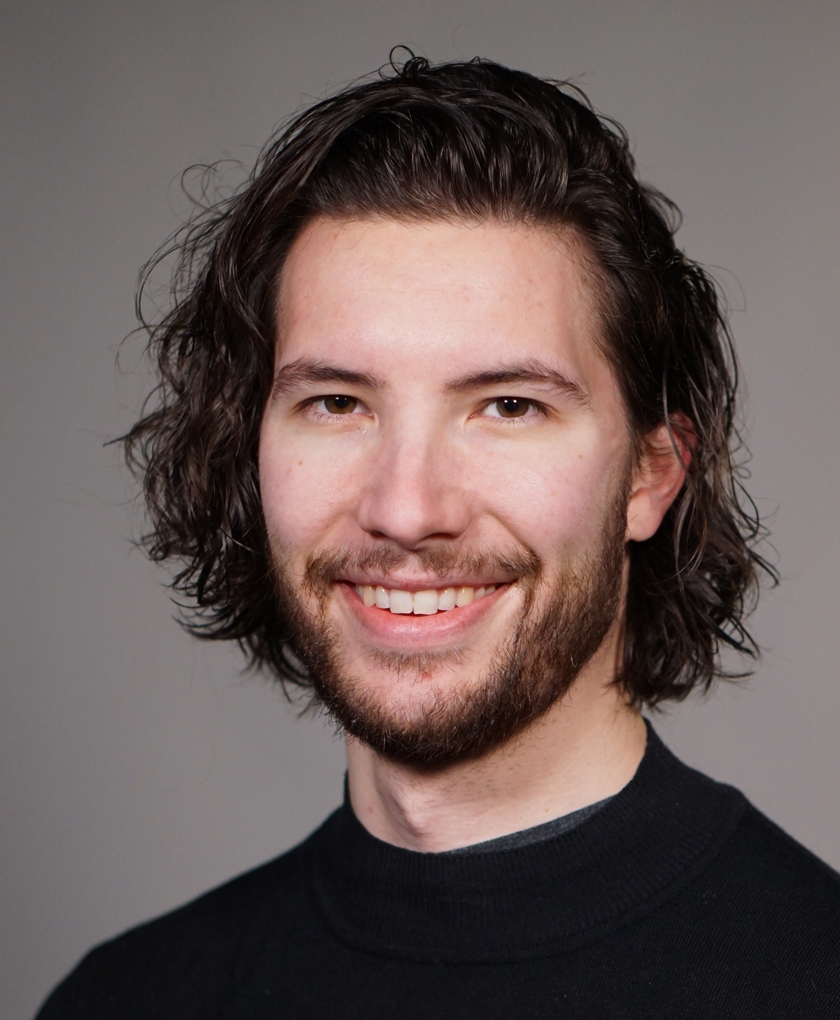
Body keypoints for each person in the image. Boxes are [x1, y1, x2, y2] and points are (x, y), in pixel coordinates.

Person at [36, 54, 840, 1019]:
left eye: (509, 405)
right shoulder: (126, 999)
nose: (407, 509)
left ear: (650, 474)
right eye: (338, 403)